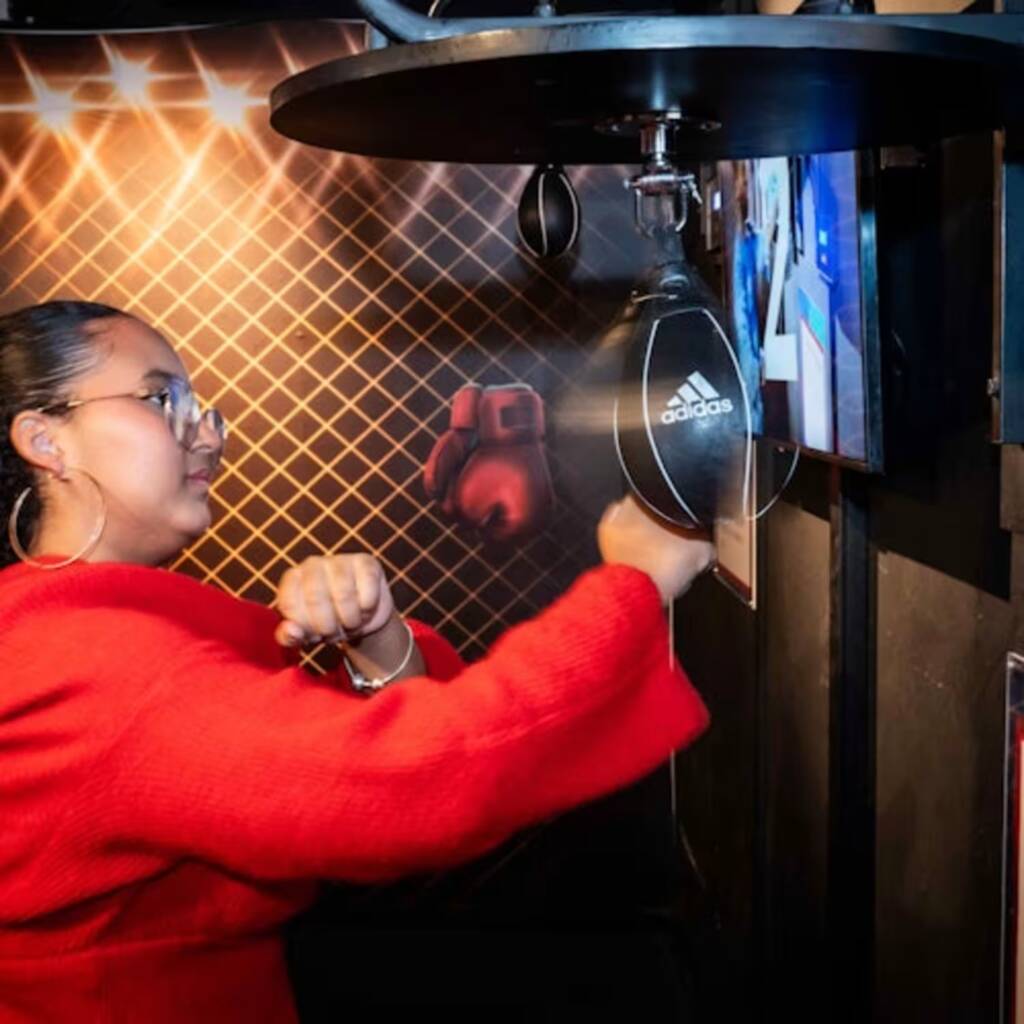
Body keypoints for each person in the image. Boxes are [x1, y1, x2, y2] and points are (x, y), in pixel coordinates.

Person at [0, 300, 715, 1023]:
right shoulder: (84, 659)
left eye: (200, 408)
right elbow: (415, 782)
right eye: (163, 400)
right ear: (45, 440)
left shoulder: (90, 626)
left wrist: (376, 640)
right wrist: (633, 584)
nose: (208, 435)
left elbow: (338, 756)